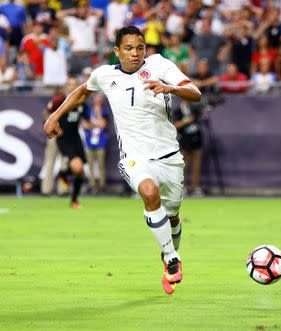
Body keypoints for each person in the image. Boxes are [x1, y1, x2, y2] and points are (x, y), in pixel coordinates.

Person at [43, 26, 201, 295]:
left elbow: (195, 92)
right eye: (128, 48)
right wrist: (54, 115)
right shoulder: (104, 75)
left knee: (172, 216)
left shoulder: (160, 65)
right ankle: (172, 258)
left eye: (140, 48)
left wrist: (169, 88)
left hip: (169, 157)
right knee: (149, 193)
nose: (135, 53)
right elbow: (82, 92)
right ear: (117, 51)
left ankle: (168, 253)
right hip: (134, 157)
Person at [45, 77, 89, 207]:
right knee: (76, 166)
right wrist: (54, 127)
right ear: (65, 87)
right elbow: (46, 114)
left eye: (74, 84)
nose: (72, 86)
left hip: (76, 138)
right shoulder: (59, 100)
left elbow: (85, 117)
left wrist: (89, 124)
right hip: (62, 138)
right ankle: (48, 189)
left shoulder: (81, 100)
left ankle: (72, 196)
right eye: (69, 84)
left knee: (80, 171)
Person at [82, 93, 109, 194]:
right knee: (90, 164)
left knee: (101, 164)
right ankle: (92, 184)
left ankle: (102, 185)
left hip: (101, 141)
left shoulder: (104, 111)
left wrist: (97, 114)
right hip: (89, 140)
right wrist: (95, 123)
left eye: (99, 99)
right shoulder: (88, 110)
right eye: (96, 99)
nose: (97, 101)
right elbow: (85, 125)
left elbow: (103, 124)